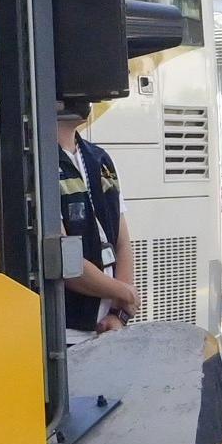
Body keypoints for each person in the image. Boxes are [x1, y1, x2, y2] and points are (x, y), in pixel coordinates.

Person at [54, 99, 141, 333]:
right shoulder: (38, 164)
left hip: (107, 327)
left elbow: (122, 242)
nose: (89, 101)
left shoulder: (100, 158)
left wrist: (118, 314)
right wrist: (126, 293)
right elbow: (67, 263)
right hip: (67, 330)